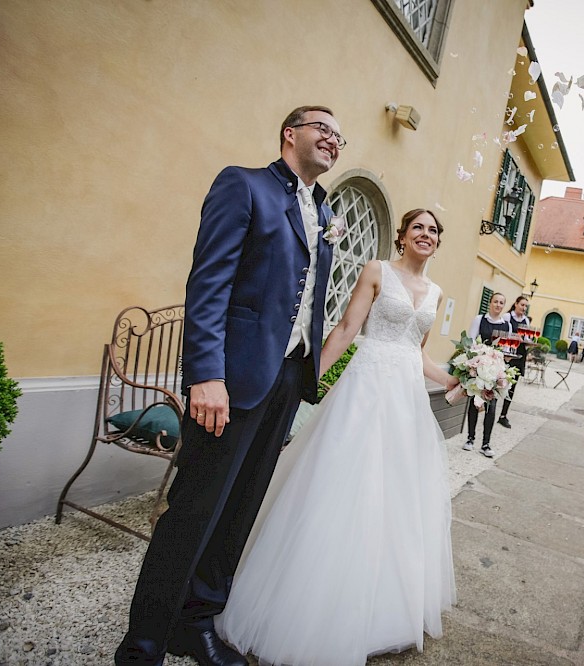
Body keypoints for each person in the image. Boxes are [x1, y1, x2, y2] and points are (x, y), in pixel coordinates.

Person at [115, 105, 343, 666]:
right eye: (323, 127)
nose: (334, 138)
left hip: (288, 378)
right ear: (290, 134)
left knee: (240, 511)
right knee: (194, 510)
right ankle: (142, 643)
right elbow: (209, 282)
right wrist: (206, 375)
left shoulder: (327, 210)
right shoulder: (243, 185)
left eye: (340, 134)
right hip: (232, 380)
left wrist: (309, 373)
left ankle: (196, 624)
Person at [216, 209, 458, 665]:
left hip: (405, 400)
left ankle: (380, 611)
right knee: (344, 480)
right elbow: (347, 330)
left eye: (433, 230)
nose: (425, 235)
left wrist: (452, 380)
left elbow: (417, 353)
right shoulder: (376, 271)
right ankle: (308, 605)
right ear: (403, 237)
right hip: (365, 387)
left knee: (394, 493)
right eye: (418, 228)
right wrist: (309, 386)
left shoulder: (438, 293)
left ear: (437, 242)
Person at [465, 292, 510, 456]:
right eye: (496, 302)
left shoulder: (507, 325)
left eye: (501, 303)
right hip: (480, 366)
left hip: (496, 369)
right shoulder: (479, 320)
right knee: (475, 403)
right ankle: (470, 438)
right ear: (490, 303)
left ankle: (486, 444)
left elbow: (506, 348)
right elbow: (470, 342)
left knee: (491, 406)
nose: (498, 305)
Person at [497, 295, 532, 429]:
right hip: (507, 353)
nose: (524, 308)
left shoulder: (526, 321)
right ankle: (488, 408)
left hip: (520, 354)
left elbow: (528, 338)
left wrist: (527, 341)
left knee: (512, 386)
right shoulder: (506, 317)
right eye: (522, 305)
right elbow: (502, 334)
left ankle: (503, 415)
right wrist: (514, 337)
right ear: (516, 304)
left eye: (526, 306)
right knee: (498, 380)